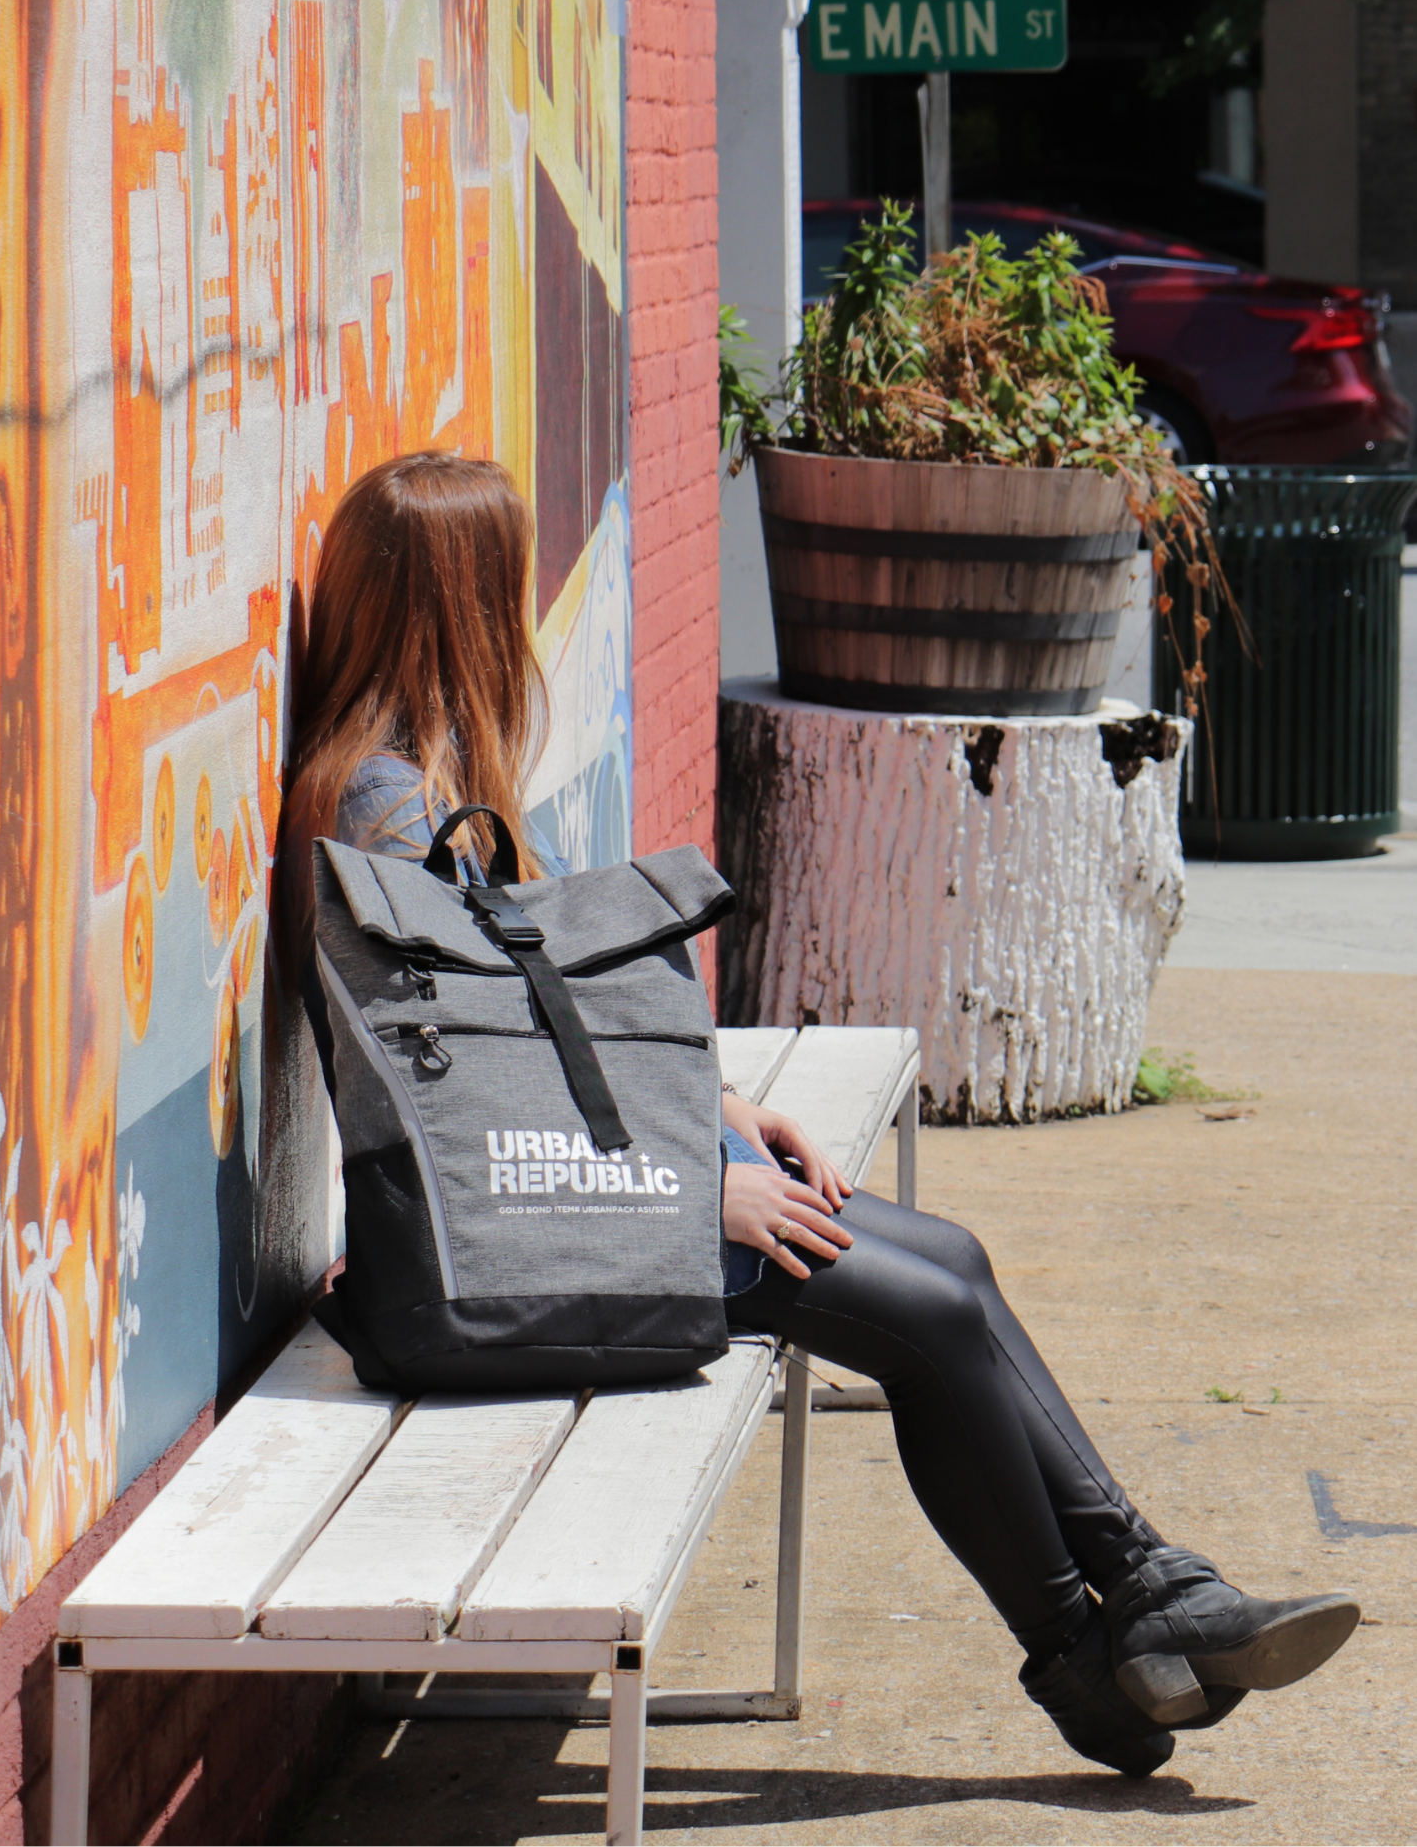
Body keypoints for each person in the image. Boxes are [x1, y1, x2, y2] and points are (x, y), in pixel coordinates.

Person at [281, 451, 1359, 1779]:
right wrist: (696, 1190)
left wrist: (715, 1105)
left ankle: (1144, 1601)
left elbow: (528, 1033)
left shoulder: (401, 781)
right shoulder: (382, 816)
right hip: (529, 1250)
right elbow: (471, 1118)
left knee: (952, 1260)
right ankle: (1091, 1652)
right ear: (466, 603)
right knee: (932, 1317)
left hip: (579, 1204)